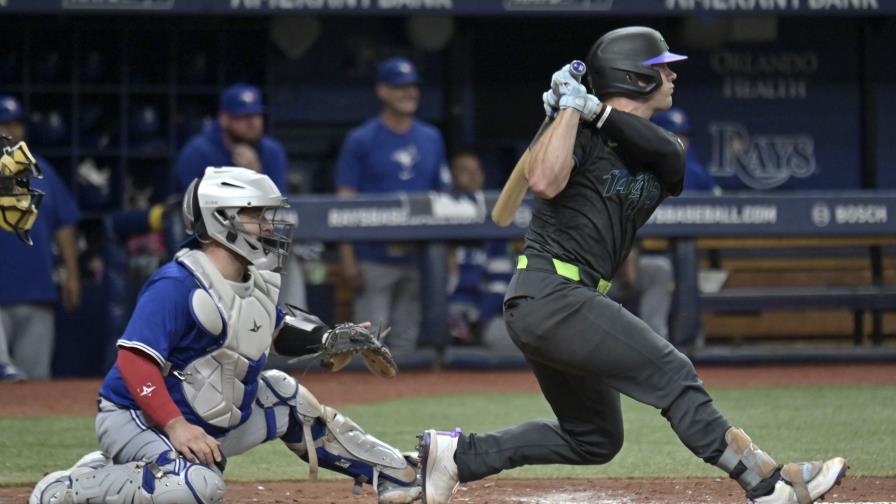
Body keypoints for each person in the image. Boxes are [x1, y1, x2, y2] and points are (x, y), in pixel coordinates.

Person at [416, 27, 846, 504]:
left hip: (564, 301)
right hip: (549, 291)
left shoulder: (663, 149)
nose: (671, 74)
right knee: (673, 373)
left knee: (595, 437)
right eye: (661, 67)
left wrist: (592, 110)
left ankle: (457, 456)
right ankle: (765, 484)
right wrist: (564, 115)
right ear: (633, 75)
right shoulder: (574, 129)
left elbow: (664, 153)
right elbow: (542, 180)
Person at [30, 167, 421, 504]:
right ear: (222, 219)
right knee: (199, 487)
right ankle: (71, 489)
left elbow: (273, 329)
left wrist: (326, 338)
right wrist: (175, 426)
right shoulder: (177, 285)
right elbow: (133, 363)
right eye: (255, 215)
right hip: (138, 420)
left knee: (286, 395)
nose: (268, 225)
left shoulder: (254, 279)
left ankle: (392, 472)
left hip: (205, 419)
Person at [336, 56, 451, 355]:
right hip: (373, 256)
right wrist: (347, 256)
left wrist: (448, 254)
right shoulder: (361, 139)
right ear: (382, 91)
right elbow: (342, 202)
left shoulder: (431, 137)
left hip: (418, 255)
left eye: (413, 87)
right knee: (368, 344)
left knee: (406, 342)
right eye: (400, 87)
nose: (409, 93)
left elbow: (444, 199)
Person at [173, 83, 305, 310]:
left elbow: (278, 209)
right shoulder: (198, 151)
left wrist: (257, 172)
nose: (253, 123)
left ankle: (291, 323)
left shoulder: (271, 151)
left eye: (256, 115)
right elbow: (194, 211)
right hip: (211, 241)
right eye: (243, 116)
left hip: (259, 240)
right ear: (224, 119)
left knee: (285, 245)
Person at [0, 95, 81, 381]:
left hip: (37, 289)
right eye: (3, 123)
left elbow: (64, 224)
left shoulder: (42, 169)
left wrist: (72, 274)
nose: (10, 130)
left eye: (15, 123)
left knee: (34, 382)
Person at [446, 150, 516, 352]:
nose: (473, 176)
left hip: (481, 310)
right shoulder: (441, 212)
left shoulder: (494, 215)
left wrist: (480, 320)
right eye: (465, 171)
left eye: (477, 171)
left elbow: (500, 280)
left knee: (510, 337)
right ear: (451, 175)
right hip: (445, 311)